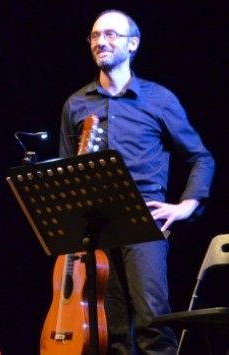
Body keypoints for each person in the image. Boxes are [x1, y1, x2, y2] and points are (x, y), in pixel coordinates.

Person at [59, 10, 215, 354]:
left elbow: (200, 157)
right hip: (96, 230)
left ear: (133, 44)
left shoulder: (158, 99)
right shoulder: (76, 104)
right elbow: (67, 174)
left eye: (111, 35)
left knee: (152, 325)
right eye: (95, 36)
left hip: (144, 221)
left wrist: (187, 204)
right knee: (112, 334)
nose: (101, 41)